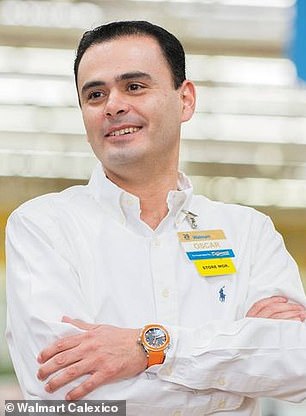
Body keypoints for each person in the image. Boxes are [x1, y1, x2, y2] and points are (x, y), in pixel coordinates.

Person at [5, 20, 306, 416]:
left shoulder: (248, 232)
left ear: (185, 100)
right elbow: (66, 391)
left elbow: (297, 361)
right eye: (95, 94)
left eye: (134, 86)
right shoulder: (42, 226)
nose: (113, 105)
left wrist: (148, 347)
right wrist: (233, 372)